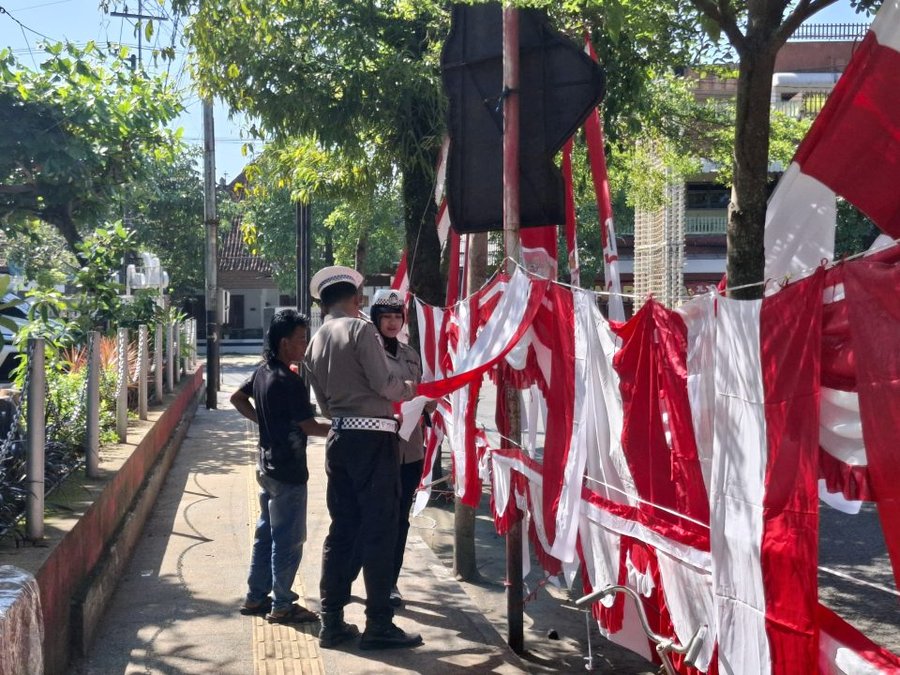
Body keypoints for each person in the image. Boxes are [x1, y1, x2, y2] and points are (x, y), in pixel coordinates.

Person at [303, 265, 422, 650]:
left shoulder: (314, 342)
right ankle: (378, 624)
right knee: (380, 530)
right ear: (356, 299)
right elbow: (384, 384)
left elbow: (324, 405)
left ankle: (332, 621)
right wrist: (411, 389)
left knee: (343, 529)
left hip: (339, 437)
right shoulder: (360, 330)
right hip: (375, 440)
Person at [230, 309, 331, 624]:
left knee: (266, 535)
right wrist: (343, 428)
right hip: (288, 472)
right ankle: (283, 604)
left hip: (267, 467)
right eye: (301, 339)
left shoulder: (262, 372)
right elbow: (309, 426)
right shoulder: (290, 381)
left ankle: (255, 596)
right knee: (288, 540)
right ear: (285, 342)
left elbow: (237, 398)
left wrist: (264, 422)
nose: (305, 345)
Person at [368, 289, 435, 608]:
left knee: (401, 520)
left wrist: (427, 403)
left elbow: (417, 391)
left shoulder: (410, 354)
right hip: (380, 445)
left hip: (412, 448)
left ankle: (390, 581)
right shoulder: (368, 352)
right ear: (376, 319)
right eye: (386, 317)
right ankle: (367, 577)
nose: (392, 323)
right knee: (377, 517)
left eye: (397, 316)